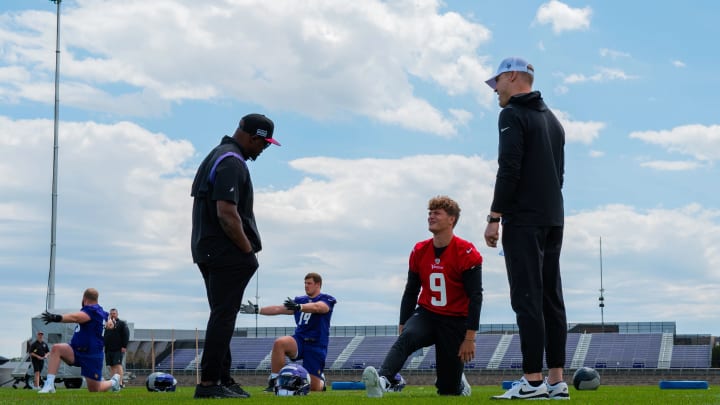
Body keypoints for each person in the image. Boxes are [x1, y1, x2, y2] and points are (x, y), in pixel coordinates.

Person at [483, 57, 568, 400]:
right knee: (551, 298)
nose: (495, 91)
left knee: (527, 298)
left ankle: (533, 381)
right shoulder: (554, 121)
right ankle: (556, 380)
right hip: (553, 217)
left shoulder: (512, 114)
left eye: (497, 83)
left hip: (525, 219)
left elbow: (509, 168)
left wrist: (494, 216)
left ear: (513, 76)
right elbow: (559, 176)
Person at [190, 113, 281, 399]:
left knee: (222, 316)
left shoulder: (218, 154)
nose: (263, 149)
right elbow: (227, 214)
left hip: (207, 248)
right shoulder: (232, 160)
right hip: (225, 251)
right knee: (223, 316)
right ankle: (209, 384)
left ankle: (222, 378)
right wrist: (246, 250)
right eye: (263, 143)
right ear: (252, 137)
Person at [362, 195, 483, 397]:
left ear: (451, 219)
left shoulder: (466, 252)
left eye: (437, 213)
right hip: (428, 313)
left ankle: (458, 383)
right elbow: (411, 290)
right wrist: (403, 322)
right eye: (429, 213)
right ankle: (382, 382)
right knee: (407, 337)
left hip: (455, 320)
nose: (431, 217)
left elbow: (476, 296)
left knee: (448, 391)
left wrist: (470, 337)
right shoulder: (420, 250)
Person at [239, 272, 337, 392]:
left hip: (316, 344)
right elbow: (278, 309)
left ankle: (321, 380)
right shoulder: (300, 300)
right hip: (299, 339)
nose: (306, 286)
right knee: (280, 343)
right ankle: (274, 382)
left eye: (309, 283)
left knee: (314, 388)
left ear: (318, 285)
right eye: (305, 283)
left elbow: (319, 307)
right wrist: (258, 310)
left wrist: (300, 307)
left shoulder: (326, 298)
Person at [37, 288, 121, 394]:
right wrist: (111, 323)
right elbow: (110, 322)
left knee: (95, 389)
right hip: (76, 351)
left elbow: (76, 317)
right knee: (57, 348)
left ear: (84, 299)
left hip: (92, 356)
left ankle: (114, 382)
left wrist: (57, 317)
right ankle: (49, 385)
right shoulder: (102, 312)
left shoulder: (92, 310)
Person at [104, 308, 130, 387]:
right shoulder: (107, 324)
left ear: (117, 314)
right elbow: (106, 336)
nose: (112, 315)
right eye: (111, 313)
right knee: (111, 366)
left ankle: (120, 383)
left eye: (114, 313)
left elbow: (126, 335)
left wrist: (124, 346)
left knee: (118, 365)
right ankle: (113, 383)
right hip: (108, 349)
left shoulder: (122, 324)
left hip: (118, 348)